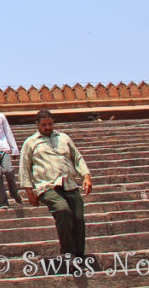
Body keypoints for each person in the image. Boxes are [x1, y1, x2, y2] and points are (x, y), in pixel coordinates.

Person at [19, 109, 93, 259]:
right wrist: (29, 192)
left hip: (69, 183)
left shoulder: (63, 138)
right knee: (62, 209)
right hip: (46, 186)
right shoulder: (30, 143)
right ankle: (68, 253)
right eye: (44, 125)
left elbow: (77, 157)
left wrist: (86, 176)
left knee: (78, 218)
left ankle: (79, 255)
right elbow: (24, 168)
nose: (48, 127)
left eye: (50, 124)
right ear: (37, 124)